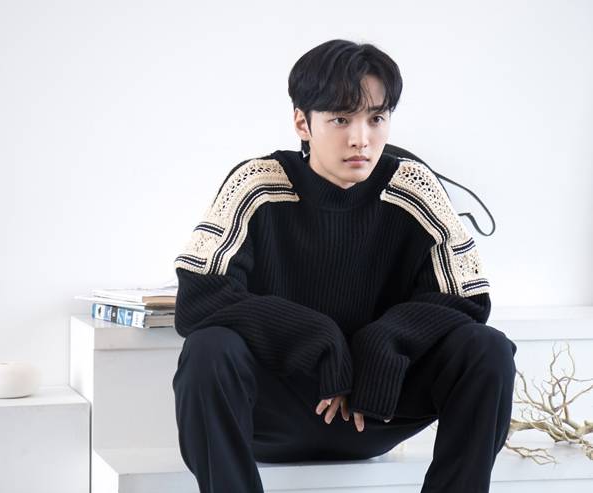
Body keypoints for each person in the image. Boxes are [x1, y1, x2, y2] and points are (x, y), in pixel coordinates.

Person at [171, 38, 517, 493]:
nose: (361, 139)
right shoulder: (256, 185)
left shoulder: (413, 187)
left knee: (488, 350)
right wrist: (315, 337)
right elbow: (199, 298)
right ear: (303, 122)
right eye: (340, 119)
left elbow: (467, 299)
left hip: (377, 408)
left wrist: (384, 341)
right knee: (208, 350)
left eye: (376, 118)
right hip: (274, 415)